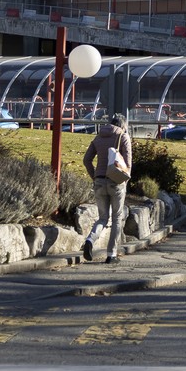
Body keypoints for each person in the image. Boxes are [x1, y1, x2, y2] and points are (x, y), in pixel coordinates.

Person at [82, 112, 133, 263]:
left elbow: (86, 160)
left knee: (103, 218)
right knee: (117, 218)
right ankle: (111, 254)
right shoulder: (123, 136)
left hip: (99, 181)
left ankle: (90, 240)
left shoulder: (98, 137)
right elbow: (128, 163)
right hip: (116, 182)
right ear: (123, 125)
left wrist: (95, 176)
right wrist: (125, 180)